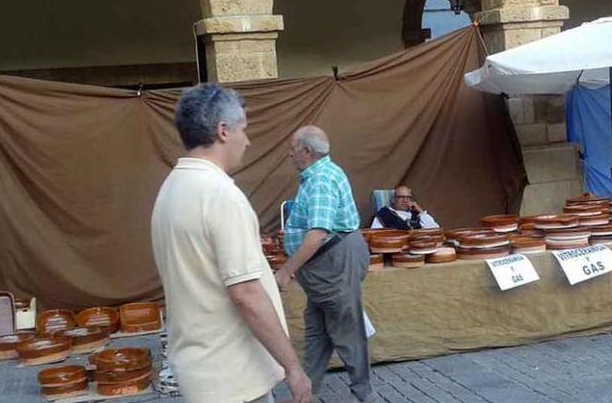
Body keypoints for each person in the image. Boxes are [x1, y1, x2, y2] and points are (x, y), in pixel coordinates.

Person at [151, 84, 311, 403]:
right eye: (244, 130)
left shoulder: (172, 187)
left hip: (201, 371)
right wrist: (293, 368)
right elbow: (246, 294)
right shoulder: (220, 195)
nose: (247, 140)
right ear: (223, 131)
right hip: (231, 377)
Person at [275, 125, 373, 402]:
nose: (289, 153)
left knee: (346, 330)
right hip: (331, 263)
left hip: (332, 263)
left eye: (292, 148)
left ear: (307, 151)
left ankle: (365, 395)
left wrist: (285, 271)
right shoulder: (323, 174)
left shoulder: (320, 180)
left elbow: (318, 233)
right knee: (318, 329)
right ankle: (305, 392)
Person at [370, 185, 440, 230]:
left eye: (408, 197)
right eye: (401, 197)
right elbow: (375, 235)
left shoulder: (417, 214)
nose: (405, 200)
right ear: (393, 200)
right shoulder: (384, 214)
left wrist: (420, 211)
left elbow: (435, 229)